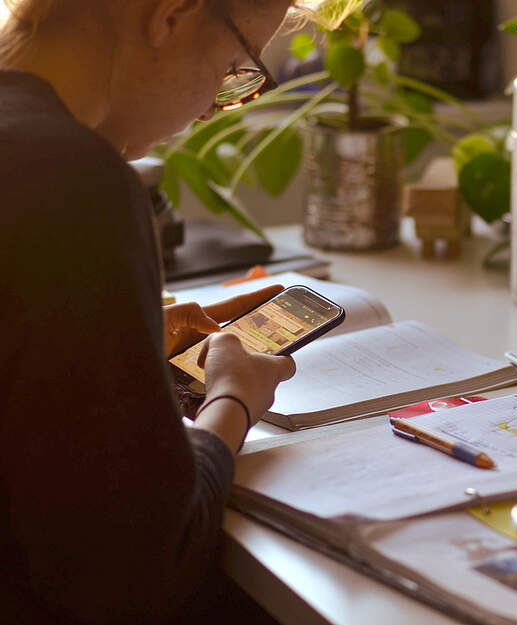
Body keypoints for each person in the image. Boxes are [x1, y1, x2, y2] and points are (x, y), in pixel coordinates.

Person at [0, 0, 338, 623]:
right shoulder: (72, 179)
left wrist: (115, 343)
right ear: (171, 14)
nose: (218, 104)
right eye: (237, 65)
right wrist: (233, 400)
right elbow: (136, 569)